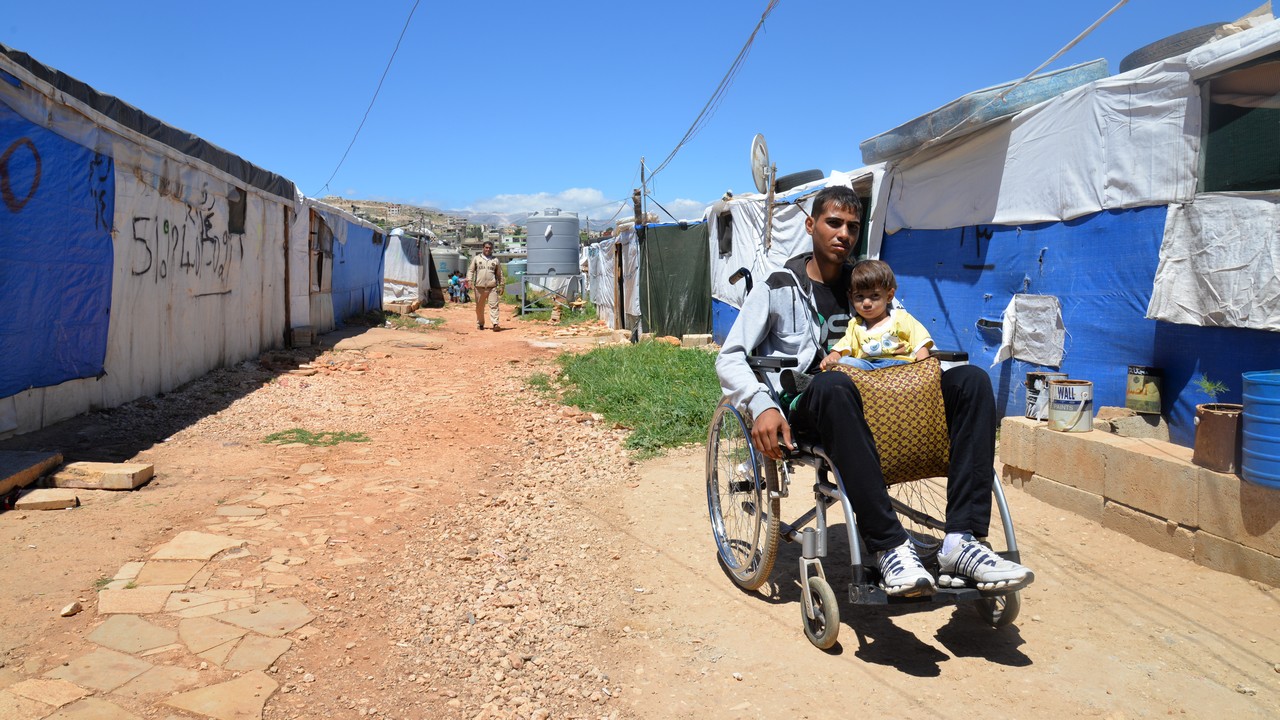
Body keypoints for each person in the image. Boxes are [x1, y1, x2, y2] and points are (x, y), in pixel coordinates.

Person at [715, 185, 1034, 598]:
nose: (843, 234)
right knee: (833, 384)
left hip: (887, 400)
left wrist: (937, 369)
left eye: (852, 226)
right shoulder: (777, 286)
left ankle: (962, 542)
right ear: (811, 226)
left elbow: (910, 337)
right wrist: (760, 405)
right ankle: (889, 546)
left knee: (971, 381)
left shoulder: (868, 282)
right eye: (833, 223)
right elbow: (730, 357)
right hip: (814, 405)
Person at [818, 259, 932, 371]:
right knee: (845, 362)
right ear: (851, 298)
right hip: (869, 370)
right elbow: (843, 347)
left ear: (889, 296)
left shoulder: (901, 318)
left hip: (900, 367)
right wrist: (833, 357)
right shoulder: (855, 326)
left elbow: (920, 344)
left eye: (875, 295)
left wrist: (924, 367)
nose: (866, 303)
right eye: (859, 296)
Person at [467, 242, 503, 330]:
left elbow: (499, 274)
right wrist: (469, 281)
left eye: (490, 248)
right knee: (479, 307)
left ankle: (495, 324)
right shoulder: (476, 259)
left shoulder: (495, 260)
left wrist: (502, 285)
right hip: (479, 287)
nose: (488, 249)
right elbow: (471, 271)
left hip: (492, 287)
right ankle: (480, 323)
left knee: (494, 306)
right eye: (486, 247)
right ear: (483, 248)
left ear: (492, 249)